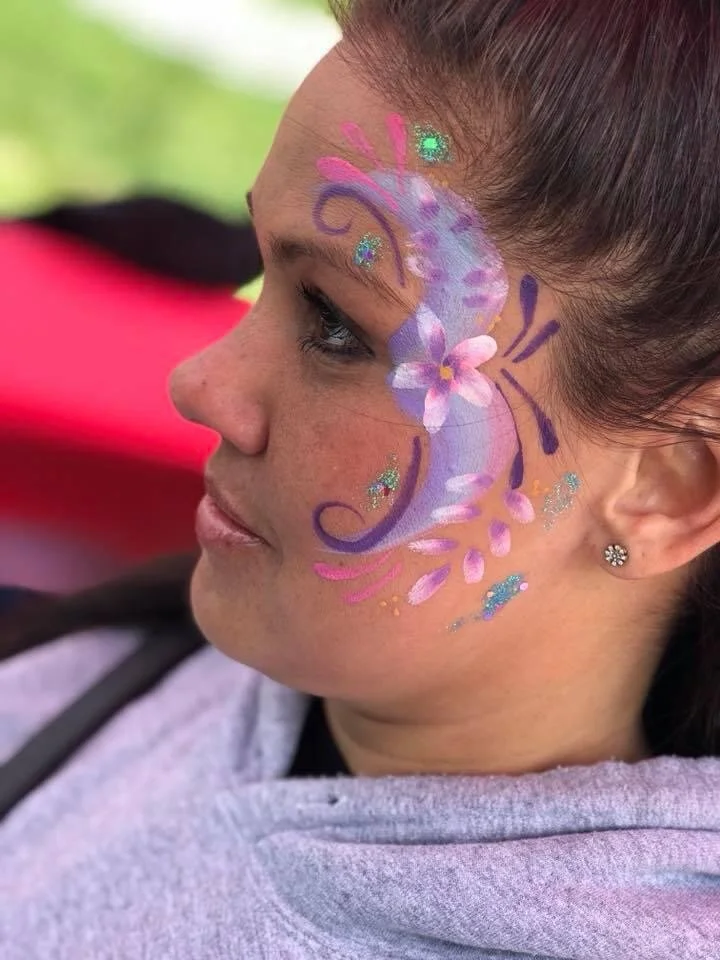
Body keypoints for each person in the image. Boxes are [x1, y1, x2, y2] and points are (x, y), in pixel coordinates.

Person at [2, 1, 720, 955]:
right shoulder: (151, 665)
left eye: (338, 325)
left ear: (670, 488)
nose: (201, 383)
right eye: (263, 277)